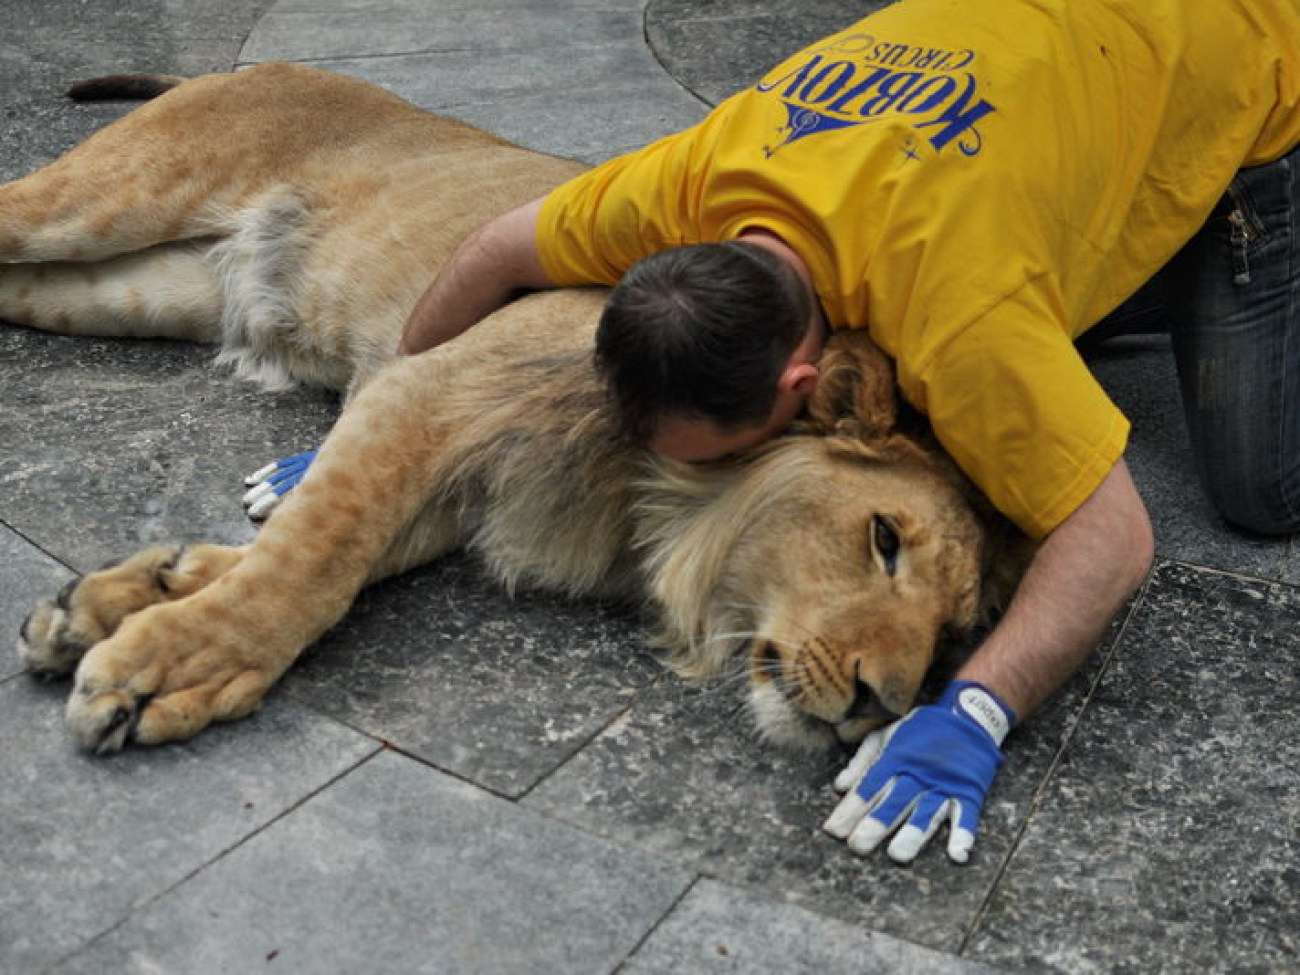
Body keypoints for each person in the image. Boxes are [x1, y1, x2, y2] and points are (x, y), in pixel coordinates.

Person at [244, 0, 1300, 864]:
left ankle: (1226, 239)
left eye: (742, 452)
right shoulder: (687, 178)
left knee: (1259, 491)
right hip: (1051, 66)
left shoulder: (956, 311)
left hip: (1251, 59)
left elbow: (1112, 538)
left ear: (812, 385)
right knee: (1066, 285)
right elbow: (490, 251)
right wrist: (366, 428)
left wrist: (977, 713)